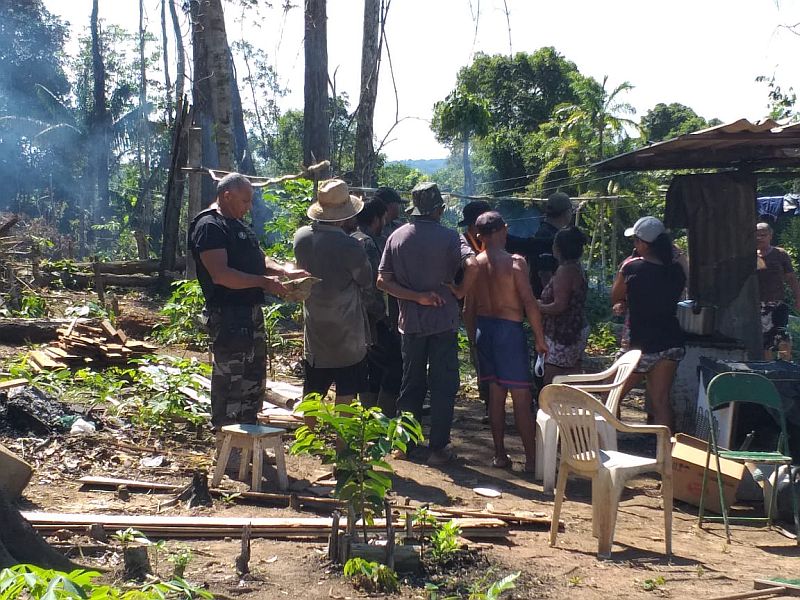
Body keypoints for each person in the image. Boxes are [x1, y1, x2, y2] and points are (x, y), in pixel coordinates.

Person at [188, 173, 306, 431]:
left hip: (250, 314)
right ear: (226, 196)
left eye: (250, 201)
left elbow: (259, 260)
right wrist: (264, 282)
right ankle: (226, 435)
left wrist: (285, 271)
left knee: (253, 379)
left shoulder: (238, 225)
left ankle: (249, 433)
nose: (249, 207)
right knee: (231, 380)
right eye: (245, 201)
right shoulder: (210, 226)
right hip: (228, 316)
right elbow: (221, 275)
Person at [377, 182, 476, 465]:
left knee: (411, 383)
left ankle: (404, 445)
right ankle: (438, 449)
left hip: (410, 324)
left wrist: (416, 297)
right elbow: (473, 264)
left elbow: (382, 281)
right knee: (443, 384)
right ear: (438, 210)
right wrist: (460, 291)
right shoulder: (450, 237)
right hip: (443, 322)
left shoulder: (396, 237)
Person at [462, 211, 547, 472]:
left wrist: (473, 340)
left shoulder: (474, 264)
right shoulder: (515, 263)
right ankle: (532, 460)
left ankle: (500, 455)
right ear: (504, 229)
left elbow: (468, 309)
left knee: (496, 395)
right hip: (509, 332)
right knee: (521, 397)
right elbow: (529, 303)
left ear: (479, 236)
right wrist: (540, 339)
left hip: (484, 331)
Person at [294, 179, 373, 405]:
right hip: (347, 334)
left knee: (312, 391)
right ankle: (342, 430)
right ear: (344, 217)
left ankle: (308, 429)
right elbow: (366, 280)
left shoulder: (301, 237)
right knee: (346, 392)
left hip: (316, 330)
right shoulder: (350, 246)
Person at [612, 216, 686, 430]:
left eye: (635, 240)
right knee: (661, 400)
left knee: (612, 393)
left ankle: (608, 440)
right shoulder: (676, 270)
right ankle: (666, 446)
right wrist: (680, 256)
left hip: (640, 345)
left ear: (643, 243)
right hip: (671, 341)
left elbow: (615, 296)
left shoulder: (631, 268)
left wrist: (623, 302)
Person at [352, 199, 403, 415]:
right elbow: (372, 285)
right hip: (371, 317)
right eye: (383, 218)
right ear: (376, 219)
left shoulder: (351, 238)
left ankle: (369, 414)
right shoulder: (367, 244)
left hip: (354, 316)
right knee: (395, 363)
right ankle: (385, 414)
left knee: (371, 367)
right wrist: (382, 316)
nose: (385, 223)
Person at [538, 226, 589, 384]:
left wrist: (537, 306)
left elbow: (559, 306)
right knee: (572, 375)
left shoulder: (565, 271)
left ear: (559, 248)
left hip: (563, 333)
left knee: (553, 381)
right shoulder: (577, 267)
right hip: (575, 328)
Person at [458, 201, 493, 418]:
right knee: (479, 356)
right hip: (472, 308)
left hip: (494, 308)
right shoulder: (462, 243)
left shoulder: (495, 242)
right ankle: (489, 402)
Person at [756, 221, 800, 357]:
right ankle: (768, 367)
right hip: (757, 305)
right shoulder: (751, 256)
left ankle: (786, 366)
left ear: (770, 236)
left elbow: (791, 278)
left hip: (777, 303)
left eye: (763, 235)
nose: (760, 238)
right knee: (764, 341)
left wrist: (798, 298)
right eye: (757, 235)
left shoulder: (780, 254)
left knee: (782, 337)